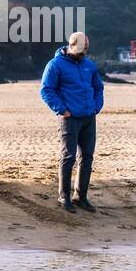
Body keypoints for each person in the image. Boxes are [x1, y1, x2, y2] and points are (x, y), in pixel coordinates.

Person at [40, 31, 104, 213]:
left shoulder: (89, 65)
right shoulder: (55, 65)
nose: (83, 54)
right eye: (81, 51)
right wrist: (62, 110)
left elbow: (98, 87)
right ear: (71, 46)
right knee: (68, 158)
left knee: (87, 158)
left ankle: (80, 196)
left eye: (86, 51)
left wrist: (96, 107)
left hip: (88, 118)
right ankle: (64, 197)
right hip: (69, 119)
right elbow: (46, 91)